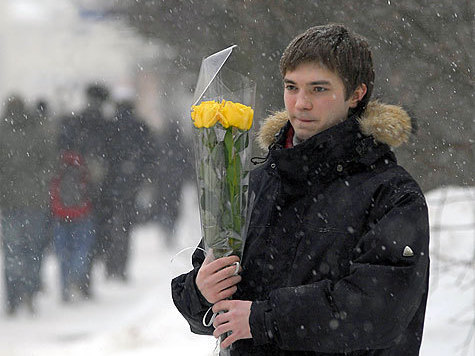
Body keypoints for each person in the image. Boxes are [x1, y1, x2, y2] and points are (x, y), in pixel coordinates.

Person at [172, 24, 430, 355]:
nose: (301, 103)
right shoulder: (257, 181)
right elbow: (209, 307)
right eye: (291, 87)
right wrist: (200, 290)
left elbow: (378, 309)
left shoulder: (393, 194)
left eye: (318, 89)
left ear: (356, 94)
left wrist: (266, 319)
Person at [0, 95, 56, 314]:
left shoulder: (2, 132)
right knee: (34, 250)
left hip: (10, 202)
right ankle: (30, 294)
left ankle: (13, 298)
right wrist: (39, 184)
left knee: (12, 252)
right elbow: (50, 164)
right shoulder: (38, 131)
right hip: (36, 202)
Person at [99, 99, 155, 281]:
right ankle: (121, 267)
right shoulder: (140, 126)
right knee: (125, 227)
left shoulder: (109, 126)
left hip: (109, 185)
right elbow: (150, 155)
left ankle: (110, 265)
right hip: (131, 185)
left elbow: (103, 153)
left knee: (109, 226)